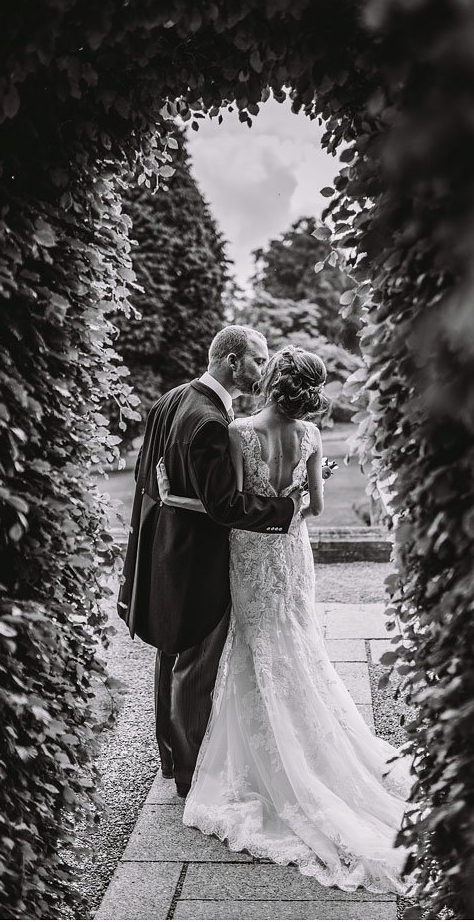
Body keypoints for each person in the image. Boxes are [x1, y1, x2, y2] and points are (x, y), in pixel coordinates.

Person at [158, 346, 416, 896]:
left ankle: (261, 763)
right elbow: (314, 508)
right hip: (291, 556)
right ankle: (313, 754)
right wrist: (303, 483)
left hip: (250, 556)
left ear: (272, 378)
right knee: (299, 648)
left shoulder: (238, 431)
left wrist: (175, 498)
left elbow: (228, 503)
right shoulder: (312, 437)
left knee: (255, 651)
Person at [119, 325, 299, 800]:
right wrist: (286, 508)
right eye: (258, 360)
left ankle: (170, 758)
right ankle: (191, 776)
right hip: (197, 563)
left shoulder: (171, 400)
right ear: (232, 361)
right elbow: (225, 507)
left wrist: (171, 503)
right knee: (195, 667)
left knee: (170, 655)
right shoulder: (210, 422)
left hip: (165, 553)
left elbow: (149, 483)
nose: (264, 369)